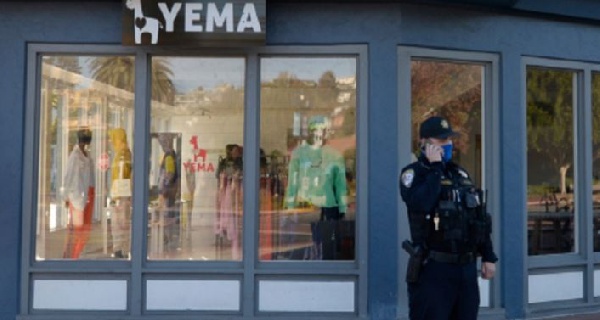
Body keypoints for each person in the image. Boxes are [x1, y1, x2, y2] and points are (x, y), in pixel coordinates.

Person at [399, 116, 497, 320]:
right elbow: (422, 203)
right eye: (441, 141)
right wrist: (434, 169)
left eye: (449, 140)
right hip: (434, 269)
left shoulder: (459, 174)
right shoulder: (413, 174)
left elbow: (478, 217)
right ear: (423, 143)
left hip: (466, 269)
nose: (447, 145)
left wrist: (488, 255)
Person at [286, 115, 348, 259]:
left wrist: (342, 209)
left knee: (325, 245)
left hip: (327, 207)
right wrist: (289, 205)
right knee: (303, 245)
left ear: (326, 132)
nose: (317, 133)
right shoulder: (298, 154)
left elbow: (340, 185)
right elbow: (292, 181)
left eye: (321, 130)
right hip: (305, 206)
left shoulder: (335, 155)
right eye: (314, 129)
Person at [62, 128, 95, 259]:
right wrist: (66, 197)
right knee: (77, 230)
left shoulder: (87, 156)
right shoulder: (74, 156)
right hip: (76, 197)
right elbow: (68, 176)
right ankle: (71, 257)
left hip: (88, 195)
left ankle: (76, 255)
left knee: (85, 230)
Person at [109, 128, 132, 259]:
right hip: (121, 194)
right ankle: (122, 249)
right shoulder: (125, 153)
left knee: (119, 224)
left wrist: (117, 197)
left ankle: (120, 250)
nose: (112, 141)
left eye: (113, 138)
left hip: (121, 195)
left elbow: (122, 176)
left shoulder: (122, 155)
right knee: (123, 224)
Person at [157, 133, 180, 253]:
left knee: (166, 216)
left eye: (162, 143)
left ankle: (167, 239)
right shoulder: (171, 155)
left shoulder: (169, 156)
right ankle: (167, 238)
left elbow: (169, 174)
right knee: (167, 216)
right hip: (169, 191)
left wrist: (164, 190)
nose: (161, 145)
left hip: (167, 192)